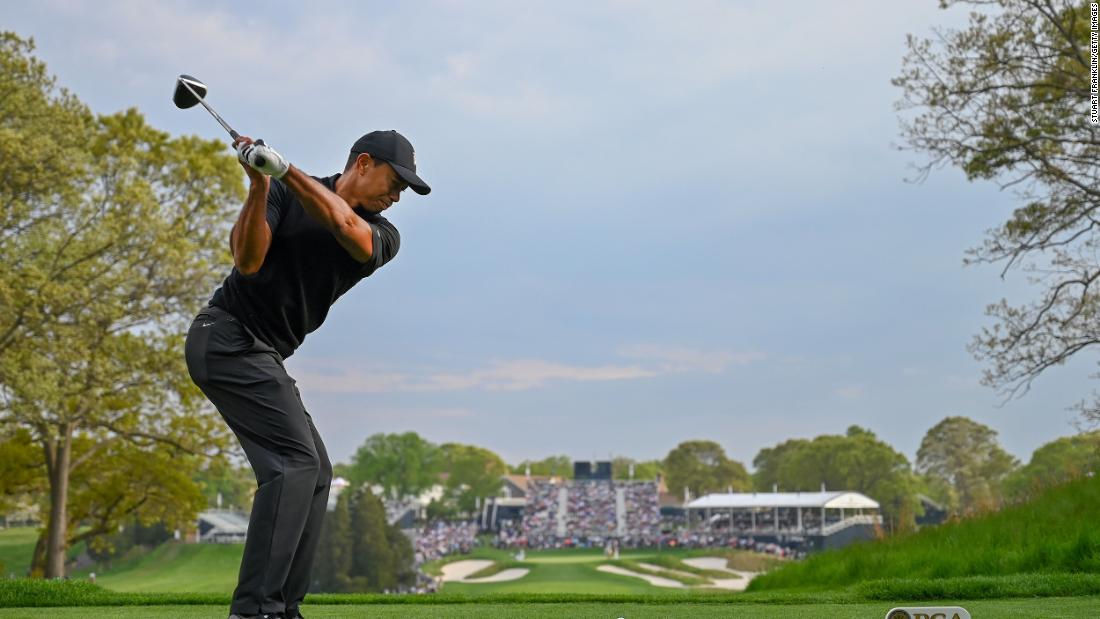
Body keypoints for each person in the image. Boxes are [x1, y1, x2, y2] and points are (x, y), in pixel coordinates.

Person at [185, 130, 430, 619]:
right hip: (226, 338)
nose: (399, 195)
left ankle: (283, 607)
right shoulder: (277, 191)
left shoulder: (383, 235)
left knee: (316, 472)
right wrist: (259, 185)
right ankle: (254, 610)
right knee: (293, 464)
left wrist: (283, 169)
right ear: (363, 163)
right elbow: (248, 261)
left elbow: (343, 225)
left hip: (260, 352)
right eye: (396, 181)